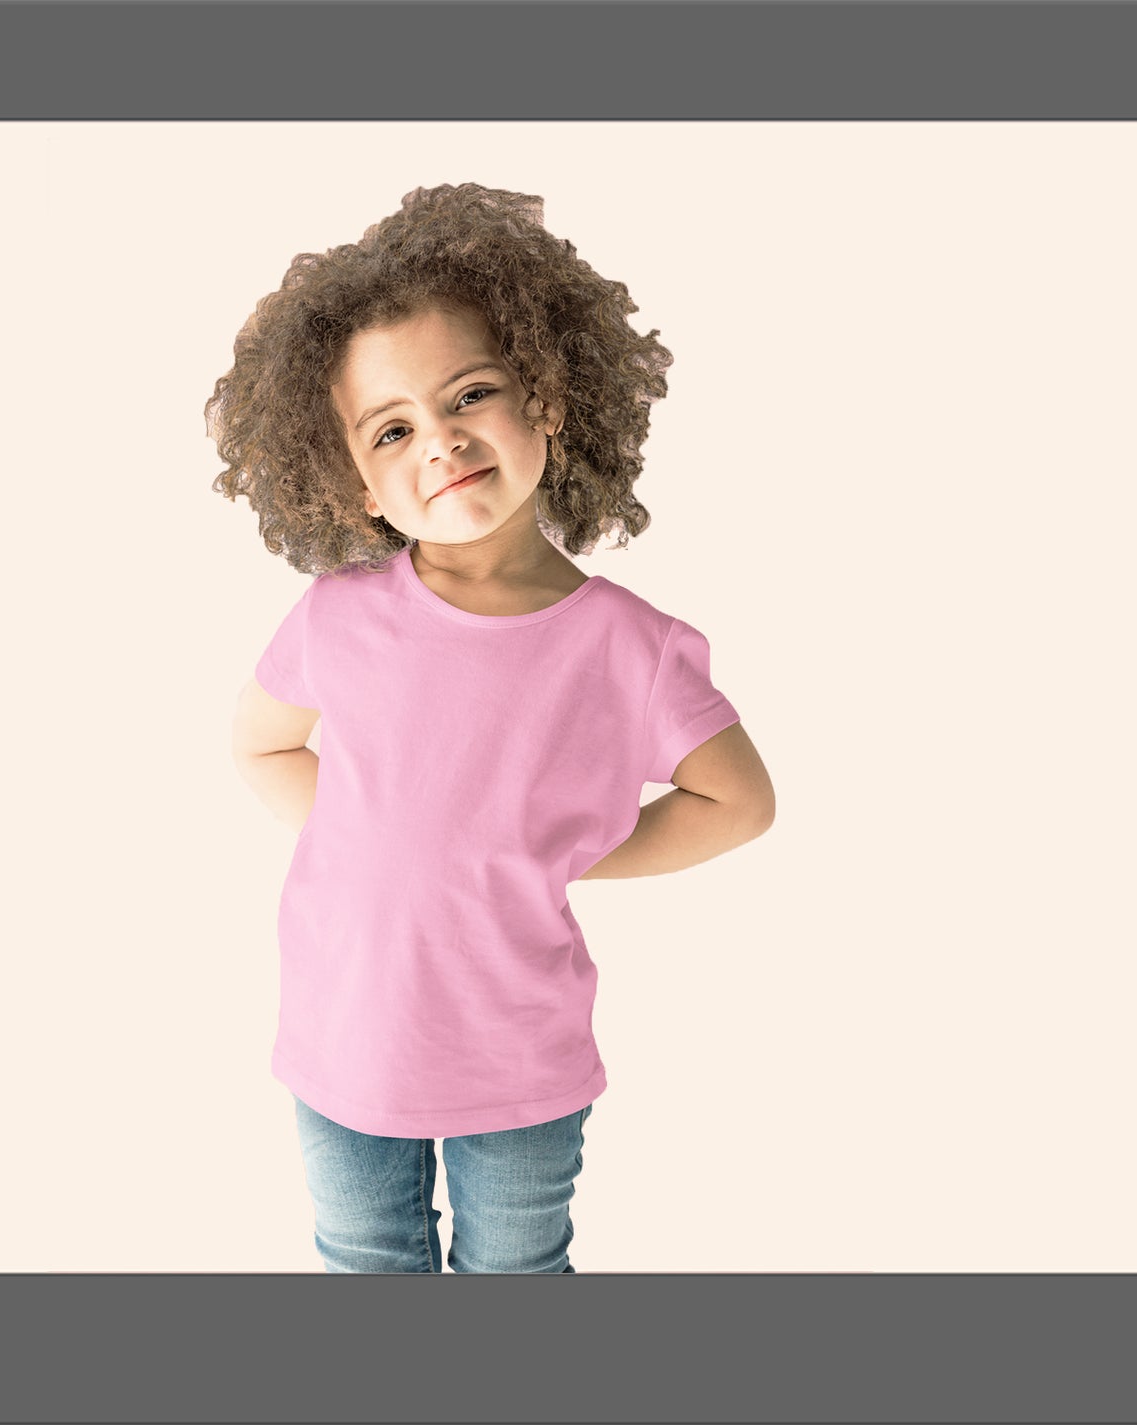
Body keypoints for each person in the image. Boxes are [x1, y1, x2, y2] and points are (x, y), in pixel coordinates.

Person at [211, 183, 776, 1273]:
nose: (441, 441)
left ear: (549, 397)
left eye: (470, 392)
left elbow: (739, 801)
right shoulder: (339, 617)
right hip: (344, 1040)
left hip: (519, 1059)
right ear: (355, 481)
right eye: (391, 428)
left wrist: (553, 852)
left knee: (515, 1271)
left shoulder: (628, 646)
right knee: (363, 1256)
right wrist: (372, 835)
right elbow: (263, 744)